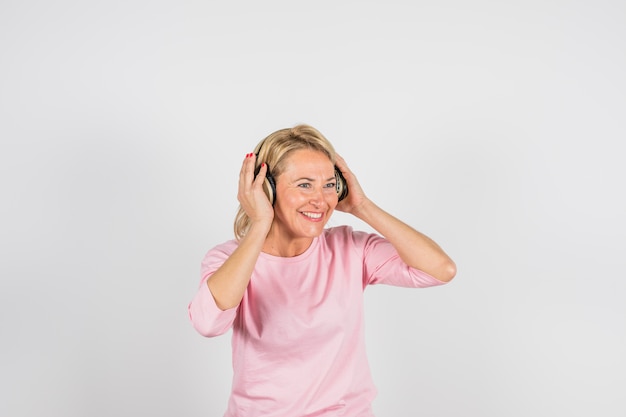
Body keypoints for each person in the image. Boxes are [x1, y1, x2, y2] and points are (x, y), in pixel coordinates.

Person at [188, 124, 456, 417]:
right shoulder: (229, 258)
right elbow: (208, 323)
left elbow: (440, 269)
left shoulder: (348, 247)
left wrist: (362, 206)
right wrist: (260, 223)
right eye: (304, 184)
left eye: (329, 185)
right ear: (266, 189)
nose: (321, 200)